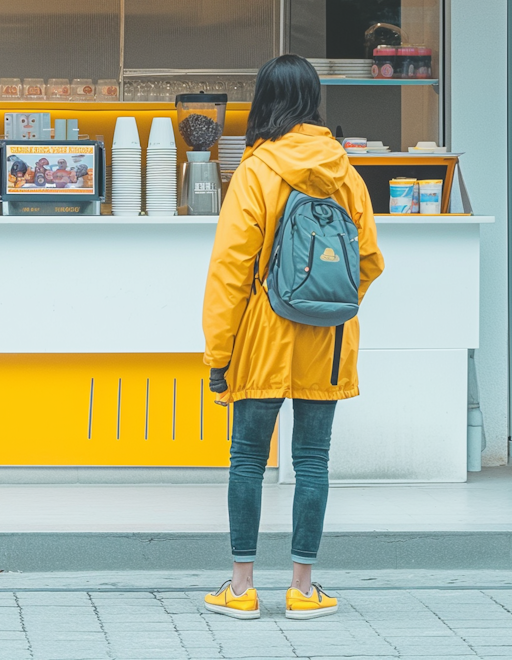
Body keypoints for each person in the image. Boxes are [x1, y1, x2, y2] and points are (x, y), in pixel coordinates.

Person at [200, 54, 383, 621]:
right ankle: (304, 588)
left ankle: (242, 586)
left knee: (247, 459)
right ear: (313, 101)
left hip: (262, 336)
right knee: (313, 460)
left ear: (263, 101)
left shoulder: (255, 170)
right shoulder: (344, 170)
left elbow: (230, 270)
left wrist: (218, 354)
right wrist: (323, 305)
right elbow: (369, 261)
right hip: (327, 341)